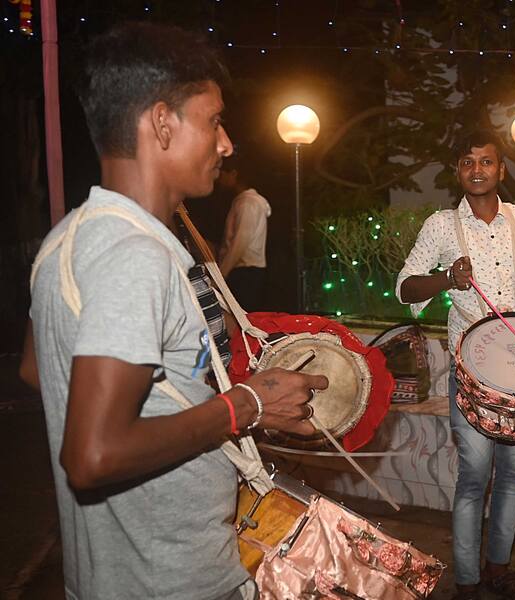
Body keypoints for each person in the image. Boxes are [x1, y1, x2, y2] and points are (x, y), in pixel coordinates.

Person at [22, 22, 327, 600]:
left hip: (110, 574)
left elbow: (39, 372)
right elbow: (93, 454)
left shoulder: (67, 237)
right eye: (213, 120)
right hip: (171, 580)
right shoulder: (136, 256)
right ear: (162, 123)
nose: (227, 143)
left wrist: (196, 405)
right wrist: (246, 404)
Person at [396, 130, 515, 600]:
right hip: (472, 375)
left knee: (513, 476)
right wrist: (445, 278)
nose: (477, 170)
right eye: (467, 162)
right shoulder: (441, 227)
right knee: (474, 477)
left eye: (486, 162)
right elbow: (405, 288)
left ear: (501, 170)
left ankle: (498, 570)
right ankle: (467, 581)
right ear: (456, 171)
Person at [217, 152, 271, 311]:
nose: (219, 178)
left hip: (244, 271)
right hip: (246, 271)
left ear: (233, 174)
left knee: (241, 318)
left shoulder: (247, 203)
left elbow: (241, 240)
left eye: (222, 173)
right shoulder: (247, 201)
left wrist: (221, 274)